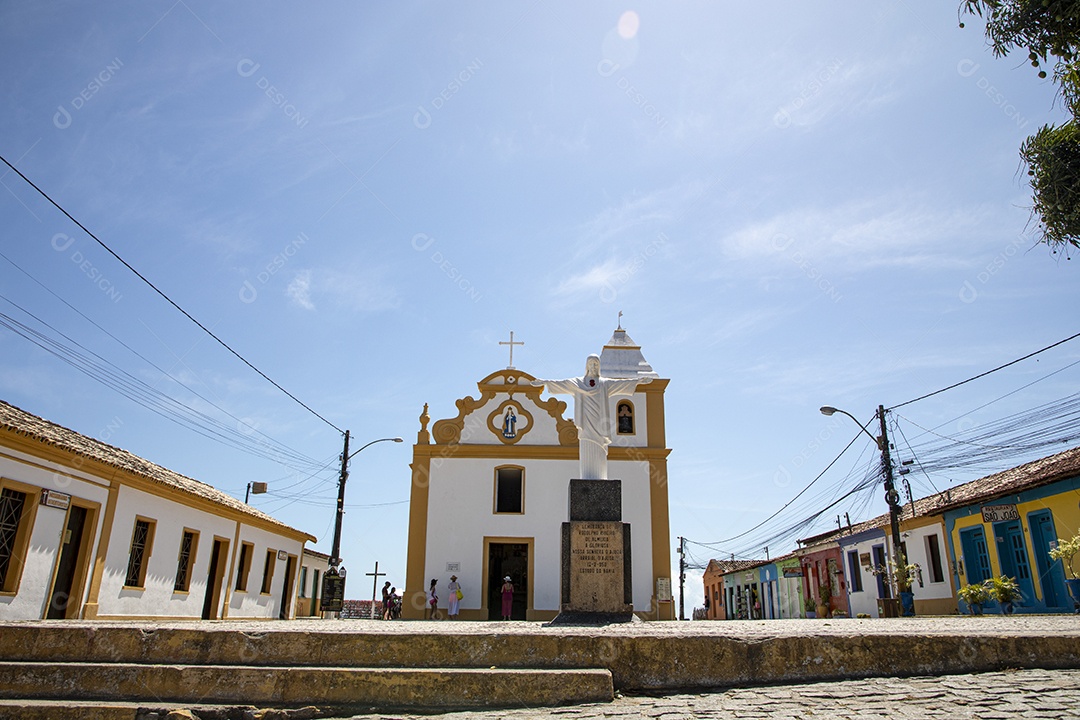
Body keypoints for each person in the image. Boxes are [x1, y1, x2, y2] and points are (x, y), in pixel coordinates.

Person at [532, 354, 652, 480]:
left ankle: (600, 478)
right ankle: (587, 477)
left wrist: (638, 381)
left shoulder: (604, 384)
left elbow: (620, 384)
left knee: (600, 450)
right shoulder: (578, 383)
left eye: (596, 364)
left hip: (600, 425)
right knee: (586, 448)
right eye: (591, 364)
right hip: (586, 425)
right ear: (587, 366)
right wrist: (545, 382)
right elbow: (562, 384)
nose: (593, 366)